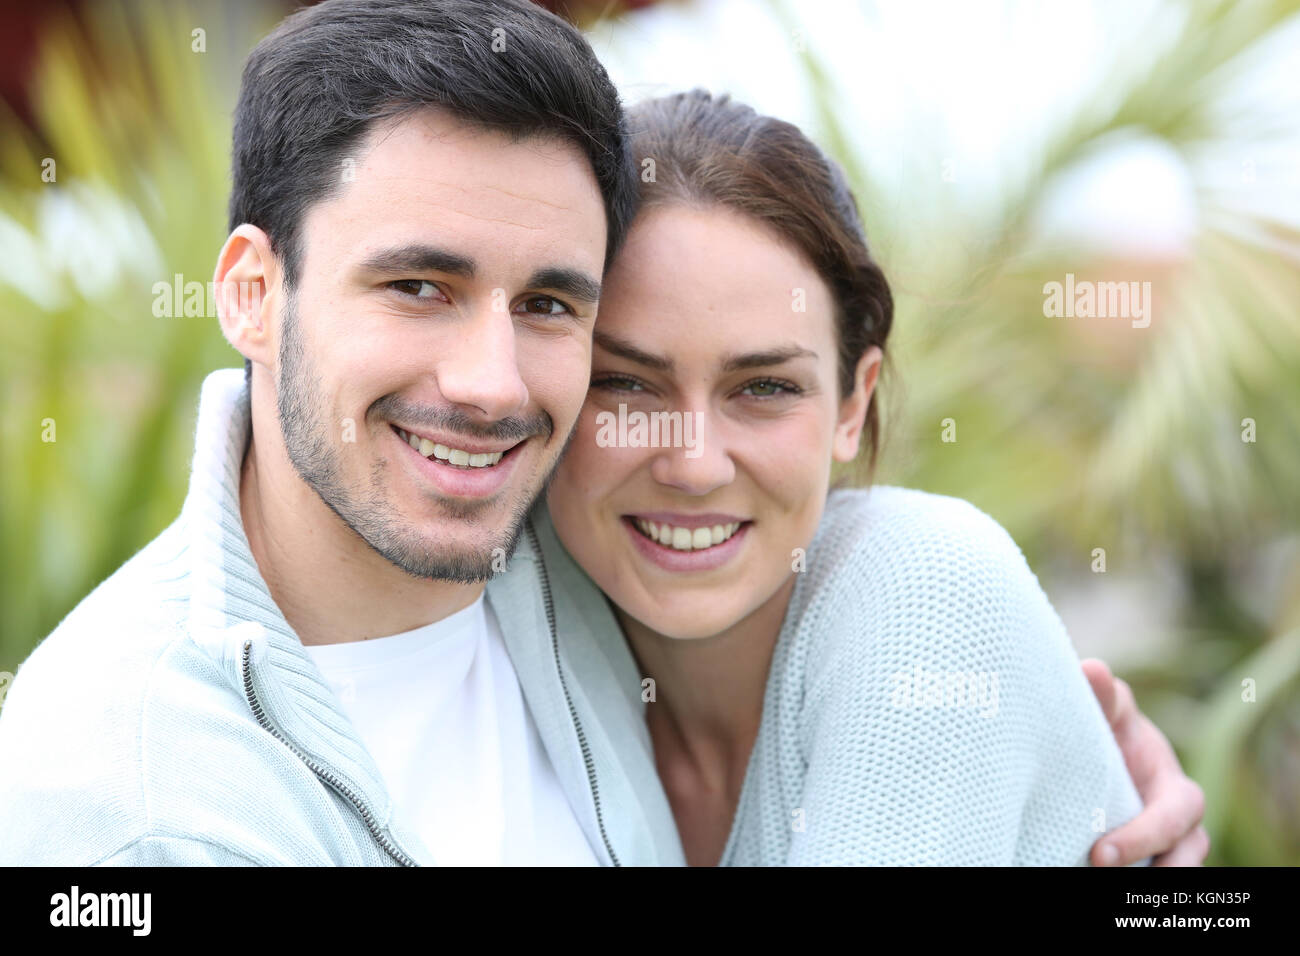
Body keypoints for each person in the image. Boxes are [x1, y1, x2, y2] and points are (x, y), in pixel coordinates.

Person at [0, 0, 1204, 866]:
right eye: (417, 285)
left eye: (549, 305)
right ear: (252, 291)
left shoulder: (563, 562)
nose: (487, 384)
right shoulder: (133, 801)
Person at [539, 90, 1208, 865]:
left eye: (764, 389)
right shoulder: (511, 603)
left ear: (853, 404)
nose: (693, 464)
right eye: (624, 383)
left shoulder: (925, 586)